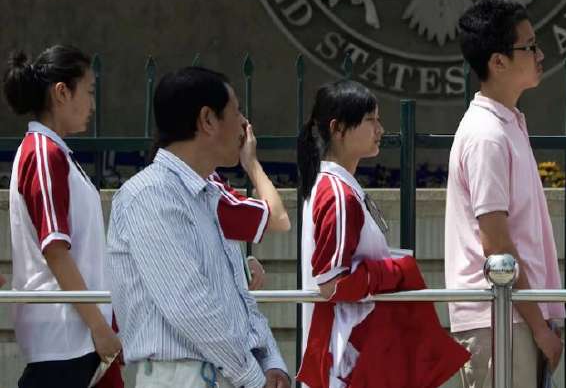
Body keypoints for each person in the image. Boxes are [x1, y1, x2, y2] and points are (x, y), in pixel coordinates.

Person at [107, 67, 289, 388]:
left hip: (229, 373)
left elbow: (238, 297)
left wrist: (270, 360)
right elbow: (189, 305)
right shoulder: (151, 195)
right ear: (207, 120)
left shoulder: (209, 195)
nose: (245, 125)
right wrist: (252, 377)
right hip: (184, 377)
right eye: (236, 112)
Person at [296, 79, 468, 388]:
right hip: (348, 360)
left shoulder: (335, 187)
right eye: (370, 120)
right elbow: (331, 285)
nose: (380, 129)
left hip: (354, 353)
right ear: (338, 128)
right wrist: (393, 271)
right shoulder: (338, 194)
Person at [444, 0, 563, 387]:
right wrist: (539, 327)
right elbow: (496, 244)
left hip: (513, 315)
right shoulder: (487, 135)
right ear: (498, 62)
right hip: (498, 318)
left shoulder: (506, 124)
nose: (540, 53)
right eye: (529, 46)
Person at [4, 46, 122, 388]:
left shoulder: (53, 152)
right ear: (61, 92)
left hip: (74, 336)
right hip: (65, 337)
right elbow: (55, 249)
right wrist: (99, 326)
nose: (93, 104)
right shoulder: (44, 153)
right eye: (88, 92)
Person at [207, 127, 292, 290]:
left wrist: (242, 264)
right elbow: (278, 218)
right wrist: (251, 163)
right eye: (235, 113)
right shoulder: (207, 188)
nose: (243, 131)